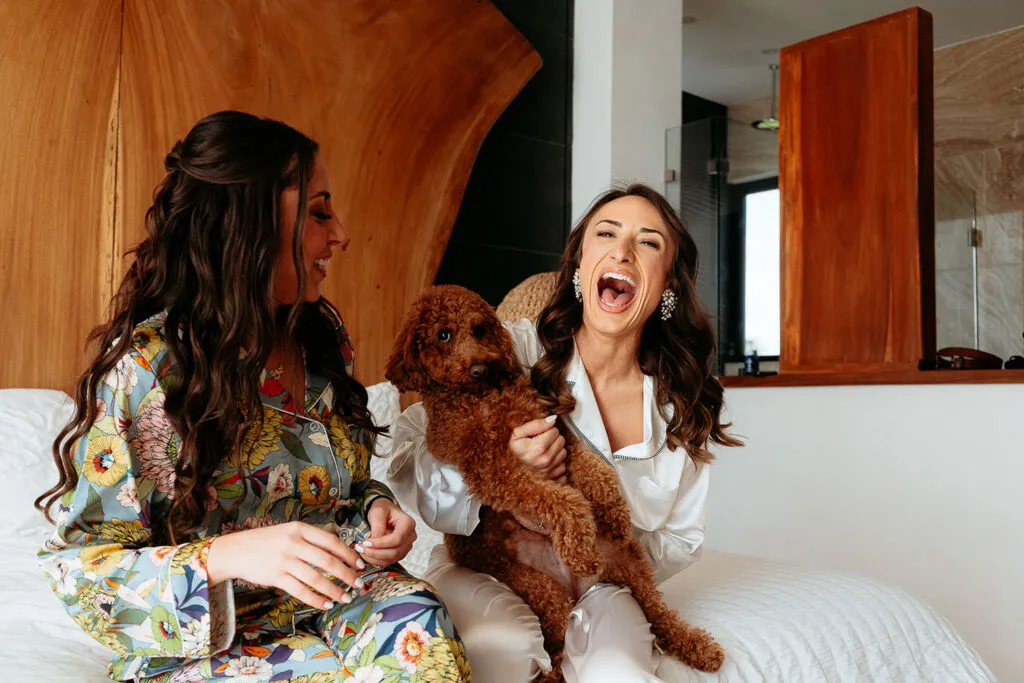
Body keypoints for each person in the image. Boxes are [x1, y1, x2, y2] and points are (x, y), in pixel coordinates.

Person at [35, 111, 469, 682]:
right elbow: (81, 572)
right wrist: (225, 557)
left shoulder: (320, 337)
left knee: (423, 639)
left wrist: (373, 508)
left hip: (340, 600)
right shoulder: (147, 371)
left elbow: (336, 489)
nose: (340, 235)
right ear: (251, 223)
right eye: (319, 213)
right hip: (208, 639)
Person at [388, 184, 739, 682]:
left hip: (602, 580)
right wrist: (505, 468)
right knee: (503, 648)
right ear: (579, 265)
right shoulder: (510, 348)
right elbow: (413, 451)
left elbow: (681, 539)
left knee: (619, 672)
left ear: (668, 285)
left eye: (648, 241)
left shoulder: (682, 403)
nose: (623, 250)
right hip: (488, 566)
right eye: (607, 234)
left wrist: (598, 554)